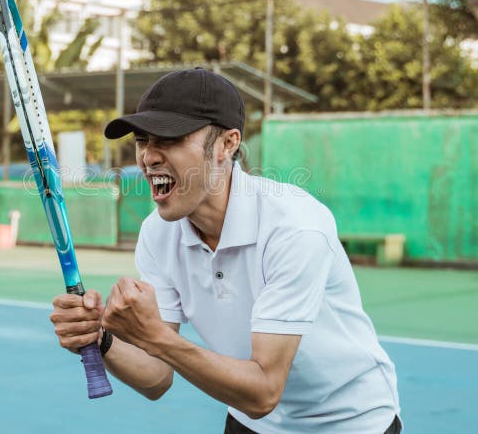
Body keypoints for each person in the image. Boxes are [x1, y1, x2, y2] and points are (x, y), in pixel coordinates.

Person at [50, 68, 401, 433]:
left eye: (169, 138)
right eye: (142, 140)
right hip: (251, 423)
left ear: (227, 144)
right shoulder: (158, 233)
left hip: (350, 423)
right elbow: (156, 377)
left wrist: (154, 336)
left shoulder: (294, 228)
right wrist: (100, 339)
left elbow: (264, 392)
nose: (149, 157)